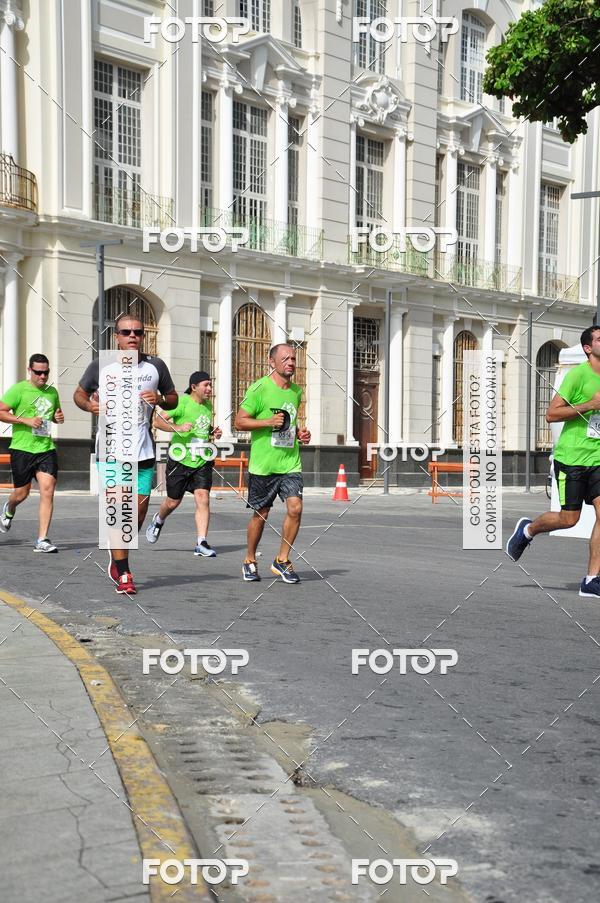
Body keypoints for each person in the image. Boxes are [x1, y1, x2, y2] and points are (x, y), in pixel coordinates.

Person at [74, 314, 177, 595]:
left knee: (138, 513)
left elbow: (174, 397)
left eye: (138, 332)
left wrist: (161, 399)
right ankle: (124, 572)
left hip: (143, 451)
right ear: (116, 337)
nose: (132, 336)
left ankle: (117, 556)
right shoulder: (101, 366)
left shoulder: (156, 366)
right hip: (110, 450)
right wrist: (90, 407)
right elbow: (79, 394)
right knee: (121, 512)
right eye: (126, 332)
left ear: (143, 336)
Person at [507, 325, 600, 598]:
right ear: (587, 348)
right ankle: (528, 530)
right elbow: (551, 414)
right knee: (569, 519)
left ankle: (591, 580)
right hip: (571, 458)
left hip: (598, 459)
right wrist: (589, 405)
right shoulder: (577, 376)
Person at [234, 343, 311, 583]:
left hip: (290, 463)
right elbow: (240, 421)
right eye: (285, 358)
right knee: (261, 514)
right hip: (263, 465)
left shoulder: (296, 391)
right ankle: (249, 559)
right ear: (272, 362)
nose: (291, 363)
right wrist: (267, 422)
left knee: (295, 508)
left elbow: (290, 422)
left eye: (293, 359)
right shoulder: (259, 388)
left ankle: (282, 559)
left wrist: (300, 434)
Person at [146, 370, 222, 556]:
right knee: (173, 502)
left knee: (203, 498)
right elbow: (157, 422)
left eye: (210, 385)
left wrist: (213, 433)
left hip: (201, 460)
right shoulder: (181, 402)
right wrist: (177, 427)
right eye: (206, 385)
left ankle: (201, 542)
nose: (210, 389)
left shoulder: (207, 405)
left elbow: (202, 427)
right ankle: (159, 519)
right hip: (180, 459)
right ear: (194, 387)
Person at [0, 354, 64, 551]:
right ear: (30, 370)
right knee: (21, 493)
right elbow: (1, 412)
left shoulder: (52, 392)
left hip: (45, 448)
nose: (42, 376)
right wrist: (25, 421)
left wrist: (58, 417)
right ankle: (9, 509)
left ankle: (42, 539)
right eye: (38, 372)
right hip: (22, 448)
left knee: (48, 489)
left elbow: (55, 415)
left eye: (46, 372)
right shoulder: (19, 389)